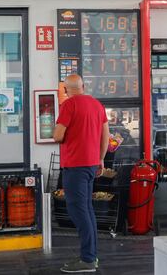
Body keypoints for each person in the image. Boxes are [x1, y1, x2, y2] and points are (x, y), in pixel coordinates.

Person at [53, 74, 109, 273]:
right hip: (91, 165)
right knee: (87, 210)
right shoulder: (97, 105)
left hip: (75, 166)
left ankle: (87, 259)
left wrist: (56, 133)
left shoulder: (68, 105)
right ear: (83, 86)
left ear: (66, 90)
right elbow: (106, 135)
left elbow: (58, 135)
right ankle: (90, 256)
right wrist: (100, 158)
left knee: (78, 210)